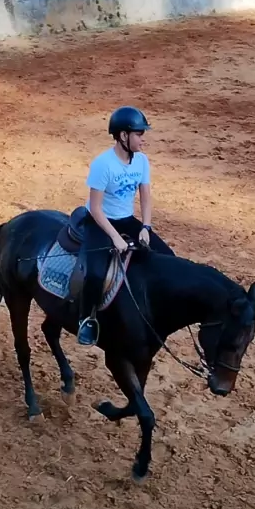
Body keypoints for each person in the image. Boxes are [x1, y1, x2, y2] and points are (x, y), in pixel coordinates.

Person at [77, 105, 174, 347]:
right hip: (99, 222)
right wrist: (114, 237)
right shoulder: (103, 164)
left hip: (127, 219)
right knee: (95, 274)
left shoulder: (141, 161)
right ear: (123, 136)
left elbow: (146, 197)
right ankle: (86, 319)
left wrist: (146, 227)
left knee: (168, 257)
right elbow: (96, 208)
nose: (143, 139)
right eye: (139, 134)